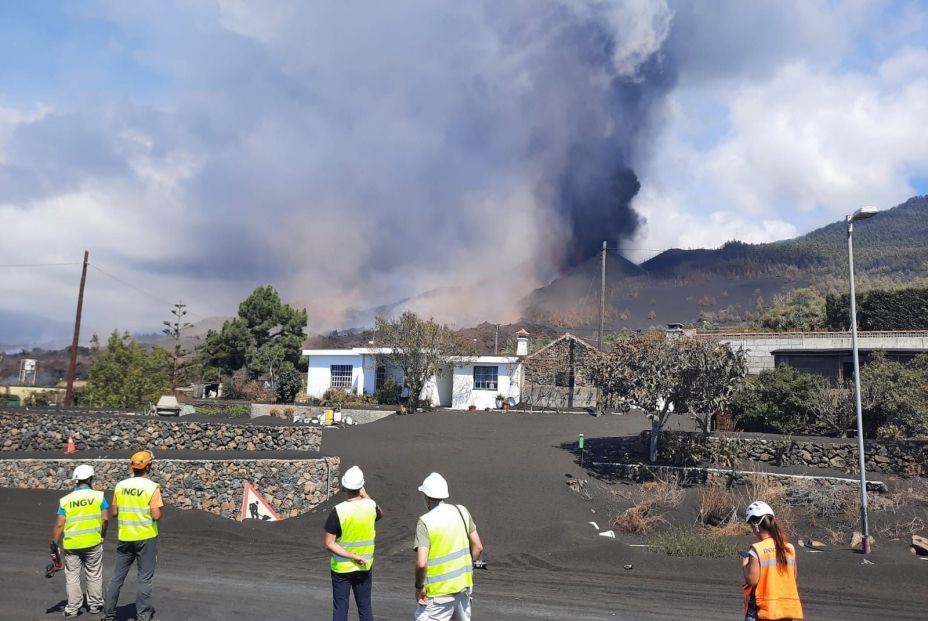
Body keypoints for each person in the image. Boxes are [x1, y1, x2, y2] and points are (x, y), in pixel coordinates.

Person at [103, 450, 163, 621]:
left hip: (125, 537)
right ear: (149, 466)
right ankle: (143, 616)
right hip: (146, 537)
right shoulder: (152, 487)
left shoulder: (120, 486)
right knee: (144, 579)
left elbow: (114, 512)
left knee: (117, 578)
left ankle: (108, 614)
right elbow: (156, 515)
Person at [414, 472, 483, 621]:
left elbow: (421, 563)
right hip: (463, 588)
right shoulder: (461, 511)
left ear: (426, 497)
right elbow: (478, 547)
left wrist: (419, 587)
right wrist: (467, 568)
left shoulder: (425, 521)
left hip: (438, 594)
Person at [324, 465, 383, 621]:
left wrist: (352, 556)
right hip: (364, 566)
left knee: (341, 608)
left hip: (342, 569)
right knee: (365, 607)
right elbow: (380, 513)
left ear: (345, 486)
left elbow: (329, 543)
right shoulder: (371, 505)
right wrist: (365, 495)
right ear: (361, 486)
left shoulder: (338, 511)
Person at [53, 464, 109, 618]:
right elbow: (105, 519)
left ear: (76, 481)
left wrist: (54, 543)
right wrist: (102, 535)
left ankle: (72, 608)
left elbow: (59, 524)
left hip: (72, 544)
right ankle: (95, 605)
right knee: (94, 574)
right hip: (93, 542)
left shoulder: (66, 500)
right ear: (90, 479)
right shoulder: (99, 497)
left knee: (72, 576)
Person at [741, 501, 803, 621]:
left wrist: (744, 565)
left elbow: (752, 580)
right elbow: (792, 576)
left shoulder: (757, 549)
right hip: (785, 610)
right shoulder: (789, 548)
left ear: (756, 525)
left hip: (763, 610)